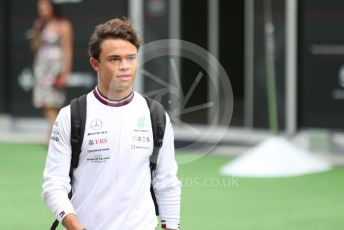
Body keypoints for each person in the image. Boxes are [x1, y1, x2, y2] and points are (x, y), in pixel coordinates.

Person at [41, 18, 181, 230]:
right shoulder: (72, 115)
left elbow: (167, 182)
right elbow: (53, 186)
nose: (125, 66)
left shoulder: (156, 115)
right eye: (114, 59)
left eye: (130, 58)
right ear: (95, 63)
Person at [31, 0, 73, 144]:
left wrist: (65, 73)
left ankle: (54, 135)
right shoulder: (40, 25)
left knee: (53, 101)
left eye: (45, 7)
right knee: (44, 101)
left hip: (56, 67)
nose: (42, 10)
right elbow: (35, 47)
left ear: (52, 7)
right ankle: (52, 134)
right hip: (42, 66)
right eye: (40, 8)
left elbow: (68, 50)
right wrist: (36, 32)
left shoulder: (63, 25)